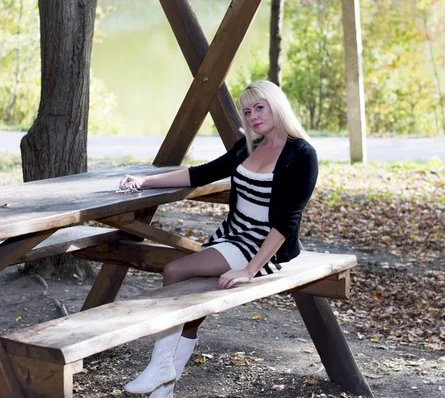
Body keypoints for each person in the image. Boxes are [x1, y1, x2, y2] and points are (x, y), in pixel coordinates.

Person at [118, 80, 318, 398]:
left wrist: (248, 271)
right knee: (192, 305)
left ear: (277, 105)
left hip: (264, 247)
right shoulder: (247, 145)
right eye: (248, 111)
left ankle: (159, 368)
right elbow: (200, 174)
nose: (253, 116)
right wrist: (144, 182)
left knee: (176, 271)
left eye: (259, 107)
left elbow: (286, 222)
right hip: (230, 236)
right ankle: (164, 390)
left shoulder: (302, 154)